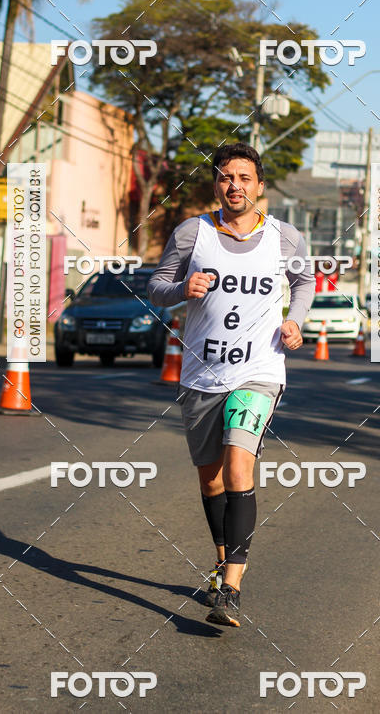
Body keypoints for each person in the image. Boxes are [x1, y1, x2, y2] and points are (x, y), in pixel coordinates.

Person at [148, 143, 315, 626]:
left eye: (244, 177)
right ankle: (223, 559)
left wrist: (295, 321)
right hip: (202, 374)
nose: (234, 185)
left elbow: (304, 282)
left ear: (260, 185)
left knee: (241, 465)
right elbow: (157, 285)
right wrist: (183, 289)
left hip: (259, 372)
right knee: (212, 478)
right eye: (225, 177)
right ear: (215, 184)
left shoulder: (284, 237)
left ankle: (231, 589)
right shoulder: (191, 233)